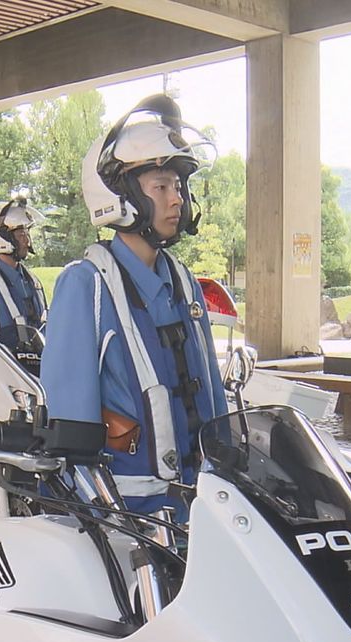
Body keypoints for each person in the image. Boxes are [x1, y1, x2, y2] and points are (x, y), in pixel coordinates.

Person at [40, 95, 227, 516]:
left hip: (202, 506)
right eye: (161, 187)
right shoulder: (85, 285)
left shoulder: (184, 283)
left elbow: (212, 394)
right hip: (128, 514)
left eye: (178, 187)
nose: (176, 199)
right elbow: (71, 429)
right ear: (119, 194)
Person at [0, 196, 47, 361]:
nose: (27, 241)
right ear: (2, 238)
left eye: (27, 233)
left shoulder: (33, 283)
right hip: (1, 371)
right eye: (21, 234)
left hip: (33, 370)